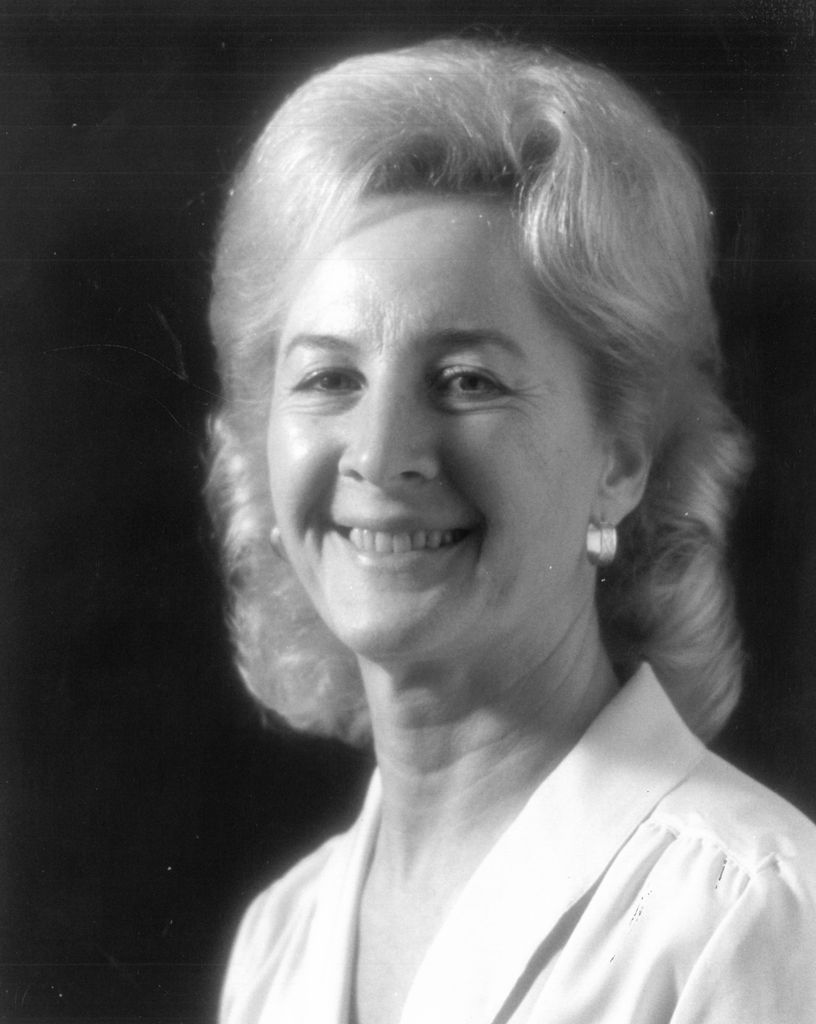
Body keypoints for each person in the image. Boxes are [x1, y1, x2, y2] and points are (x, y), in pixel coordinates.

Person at [207, 37, 816, 1024]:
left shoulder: (747, 915)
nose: (381, 455)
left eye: (467, 380)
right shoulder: (281, 938)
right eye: (328, 378)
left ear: (621, 460)